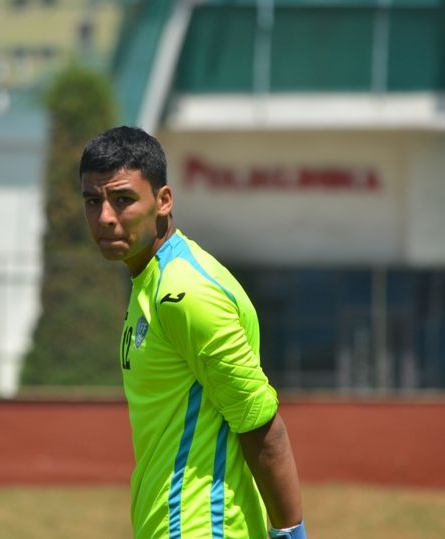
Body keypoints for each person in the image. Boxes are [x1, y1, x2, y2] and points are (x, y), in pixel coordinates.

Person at [79, 126, 307, 538]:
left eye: (123, 199)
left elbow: (262, 427)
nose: (105, 217)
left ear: (163, 200)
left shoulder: (185, 292)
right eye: (93, 202)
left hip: (201, 526)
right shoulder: (151, 279)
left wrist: (291, 535)